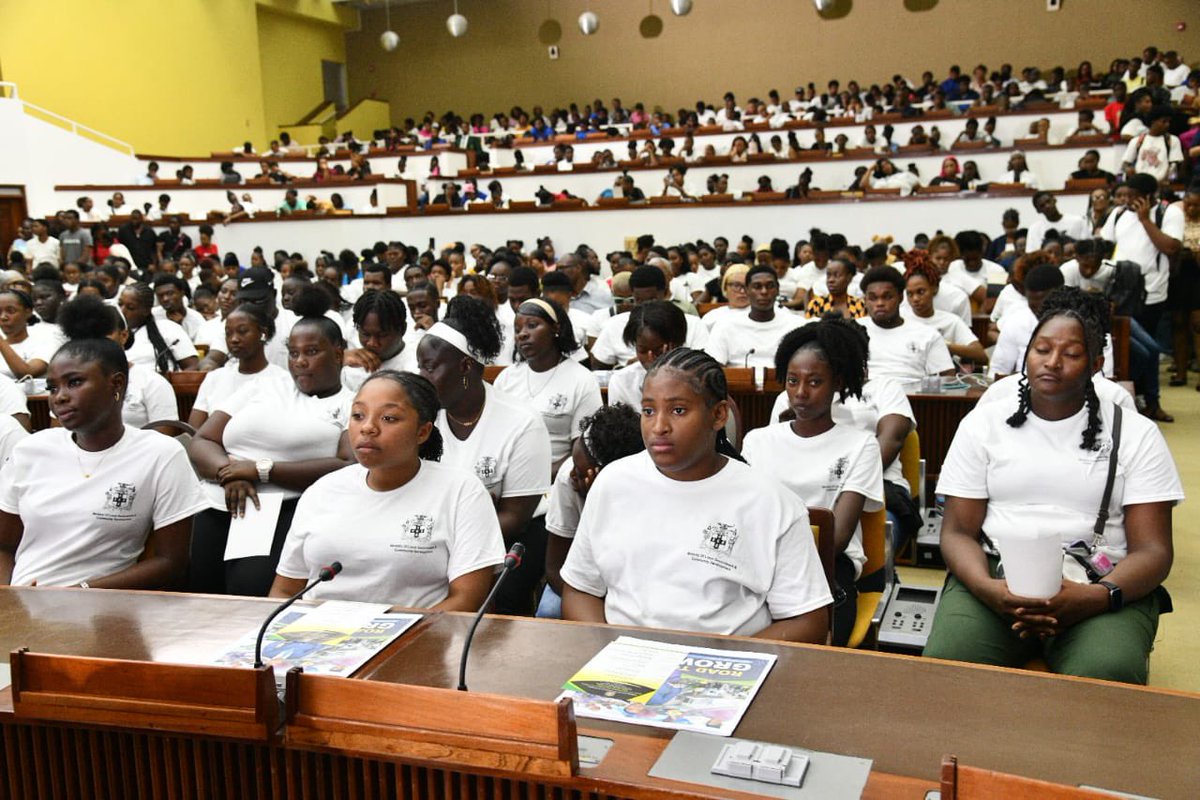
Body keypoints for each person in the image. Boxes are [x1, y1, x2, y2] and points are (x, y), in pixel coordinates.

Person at [923, 291, 1183, 685]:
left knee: (1106, 673)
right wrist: (989, 590)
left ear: (1096, 364)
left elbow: (1154, 549)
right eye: (1041, 349)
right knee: (949, 664)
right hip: (996, 575)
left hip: (1100, 583)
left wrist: (1097, 597)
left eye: (1071, 354)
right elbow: (958, 531)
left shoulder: (1136, 433)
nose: (1052, 362)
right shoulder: (984, 424)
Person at [560, 348, 832, 642]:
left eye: (678, 410)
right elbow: (580, 589)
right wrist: (610, 647)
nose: (659, 427)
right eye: (649, 411)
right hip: (624, 664)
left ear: (718, 415)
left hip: (726, 670)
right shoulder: (612, 482)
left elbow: (809, 622)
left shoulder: (771, 502)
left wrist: (726, 661)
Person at [270, 371, 504, 609]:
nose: (368, 428)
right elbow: (285, 589)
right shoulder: (323, 490)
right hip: (315, 637)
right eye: (358, 415)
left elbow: (467, 600)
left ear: (422, 432)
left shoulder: (461, 491)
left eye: (389, 418)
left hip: (416, 638)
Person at [0, 338, 205, 588]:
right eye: (53, 388)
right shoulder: (30, 450)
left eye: (74, 383)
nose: (60, 397)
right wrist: (9, 598)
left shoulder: (160, 454)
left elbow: (170, 562)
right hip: (24, 603)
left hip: (104, 608)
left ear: (116, 383)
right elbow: (4, 547)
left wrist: (82, 592)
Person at [187, 304, 355, 596]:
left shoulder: (349, 403)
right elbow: (202, 439)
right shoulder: (263, 387)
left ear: (338, 353)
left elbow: (347, 465)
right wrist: (231, 474)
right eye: (293, 353)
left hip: (280, 507)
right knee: (196, 590)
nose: (300, 361)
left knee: (248, 591)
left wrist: (260, 471)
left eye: (312, 352)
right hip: (217, 498)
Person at [743, 319, 885, 646]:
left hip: (828, 569)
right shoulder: (758, 441)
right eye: (792, 381)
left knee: (814, 645)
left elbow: (837, 538)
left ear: (837, 382)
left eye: (815, 382)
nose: (801, 393)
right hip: (761, 564)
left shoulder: (860, 445)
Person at [416, 296, 551, 614]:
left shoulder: (522, 422)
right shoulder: (423, 418)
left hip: (507, 541)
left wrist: (447, 538)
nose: (420, 377)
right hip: (435, 536)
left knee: (492, 603)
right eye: (419, 366)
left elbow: (514, 518)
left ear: (465, 366)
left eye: (430, 367)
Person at [538, 403, 645, 619]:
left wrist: (603, 500)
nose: (572, 475)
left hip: (630, 589)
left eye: (580, 472)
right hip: (576, 582)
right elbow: (554, 568)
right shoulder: (567, 479)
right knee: (548, 611)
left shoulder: (644, 488)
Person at [495, 298, 601, 471]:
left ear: (555, 329)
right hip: (507, 474)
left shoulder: (582, 380)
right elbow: (495, 436)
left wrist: (540, 476)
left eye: (532, 325)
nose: (522, 334)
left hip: (557, 478)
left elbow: (583, 449)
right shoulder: (506, 378)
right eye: (517, 329)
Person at [57, 294, 178, 432]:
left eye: (104, 334)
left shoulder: (152, 383)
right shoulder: (67, 386)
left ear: (124, 335)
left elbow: (162, 442)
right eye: (88, 336)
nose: (95, 342)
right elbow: (58, 439)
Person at [188, 303, 288, 429]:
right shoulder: (214, 378)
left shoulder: (283, 380)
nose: (234, 339)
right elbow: (193, 431)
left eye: (242, 331)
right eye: (228, 333)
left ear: (264, 334)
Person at [858, 266, 955, 382]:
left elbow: (948, 379)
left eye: (887, 297)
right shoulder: (852, 330)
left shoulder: (927, 334)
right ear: (865, 301)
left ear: (900, 297)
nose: (879, 303)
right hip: (864, 395)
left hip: (913, 397)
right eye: (873, 298)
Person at [706, 264, 807, 368]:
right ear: (747, 290)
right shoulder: (725, 326)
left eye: (770, 286)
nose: (764, 292)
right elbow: (713, 370)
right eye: (757, 286)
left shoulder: (797, 326)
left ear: (777, 290)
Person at [903, 255, 988, 368]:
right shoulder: (900, 318)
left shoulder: (951, 321)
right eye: (910, 294)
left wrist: (943, 345)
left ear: (934, 289)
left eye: (921, 292)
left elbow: (980, 355)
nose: (915, 299)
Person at [607, 301, 688, 410]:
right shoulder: (622, 382)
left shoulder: (699, 379)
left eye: (659, 351)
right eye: (642, 350)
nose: (651, 359)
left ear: (678, 344)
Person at [991, 263, 1066, 377]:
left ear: (1061, 295)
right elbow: (999, 370)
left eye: (1045, 305)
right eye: (1033, 306)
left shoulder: (1081, 323)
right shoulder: (1016, 322)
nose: (1039, 312)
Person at [342, 289, 417, 391]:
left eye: (382, 335)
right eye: (366, 334)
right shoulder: (350, 364)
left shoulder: (415, 368)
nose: (372, 343)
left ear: (402, 329)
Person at [117, 284, 199, 373]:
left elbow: (193, 366)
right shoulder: (110, 332)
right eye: (120, 304)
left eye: (130, 308)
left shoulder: (168, 328)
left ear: (146, 310)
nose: (122, 311)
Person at [1169, 182, 1200, 390]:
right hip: (1178, 276)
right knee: (1178, 324)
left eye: (1196, 205)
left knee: (1198, 326)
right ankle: (1180, 372)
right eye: (1188, 205)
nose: (1191, 209)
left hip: (1198, 276)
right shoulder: (1175, 221)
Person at [0, 288, 58, 380]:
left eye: (10, 311)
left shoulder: (46, 342)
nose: (3, 317)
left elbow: (26, 374)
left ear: (28, 312)